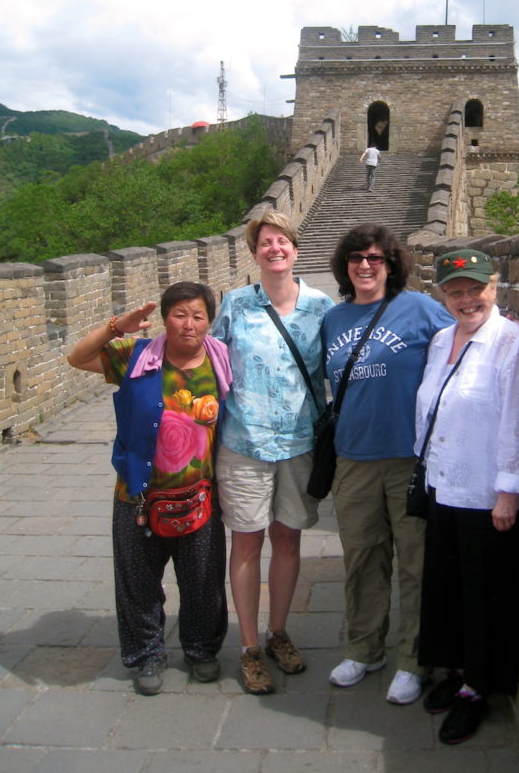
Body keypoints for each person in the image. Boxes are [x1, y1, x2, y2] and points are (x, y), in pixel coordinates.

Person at [67, 281, 231, 696]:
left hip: (199, 494)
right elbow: (77, 357)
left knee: (203, 580)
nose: (188, 324)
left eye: (197, 315)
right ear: (164, 318)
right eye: (179, 314)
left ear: (210, 321)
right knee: (138, 583)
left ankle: (200, 649)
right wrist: (114, 327)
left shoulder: (223, 360)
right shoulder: (135, 356)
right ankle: (146, 654)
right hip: (137, 495)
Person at [415, 249, 519, 745]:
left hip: (490, 496)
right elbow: (432, 407)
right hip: (445, 485)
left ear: (494, 286)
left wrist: (509, 492)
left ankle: (478, 689)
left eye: (475, 288)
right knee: (448, 588)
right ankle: (458, 670)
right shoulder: (442, 339)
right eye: (455, 291)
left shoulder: (511, 343)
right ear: (442, 295)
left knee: (484, 595)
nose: (466, 299)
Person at [322, 223, 453, 705]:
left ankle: (413, 660)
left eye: (375, 258)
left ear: (391, 264)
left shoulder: (418, 308)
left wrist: (510, 328)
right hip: (352, 458)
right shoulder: (334, 319)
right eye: (356, 257)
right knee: (362, 559)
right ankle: (364, 648)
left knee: (416, 563)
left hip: (410, 458)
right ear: (345, 265)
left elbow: (464, 338)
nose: (364, 265)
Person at [212, 210, 334, 695]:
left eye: (282, 240)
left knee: (287, 541)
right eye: (265, 242)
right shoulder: (235, 304)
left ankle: (278, 632)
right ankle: (248, 646)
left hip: (300, 444)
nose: (275, 249)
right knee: (246, 543)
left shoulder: (321, 307)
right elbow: (212, 365)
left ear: (295, 249)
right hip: (243, 443)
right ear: (255, 252)